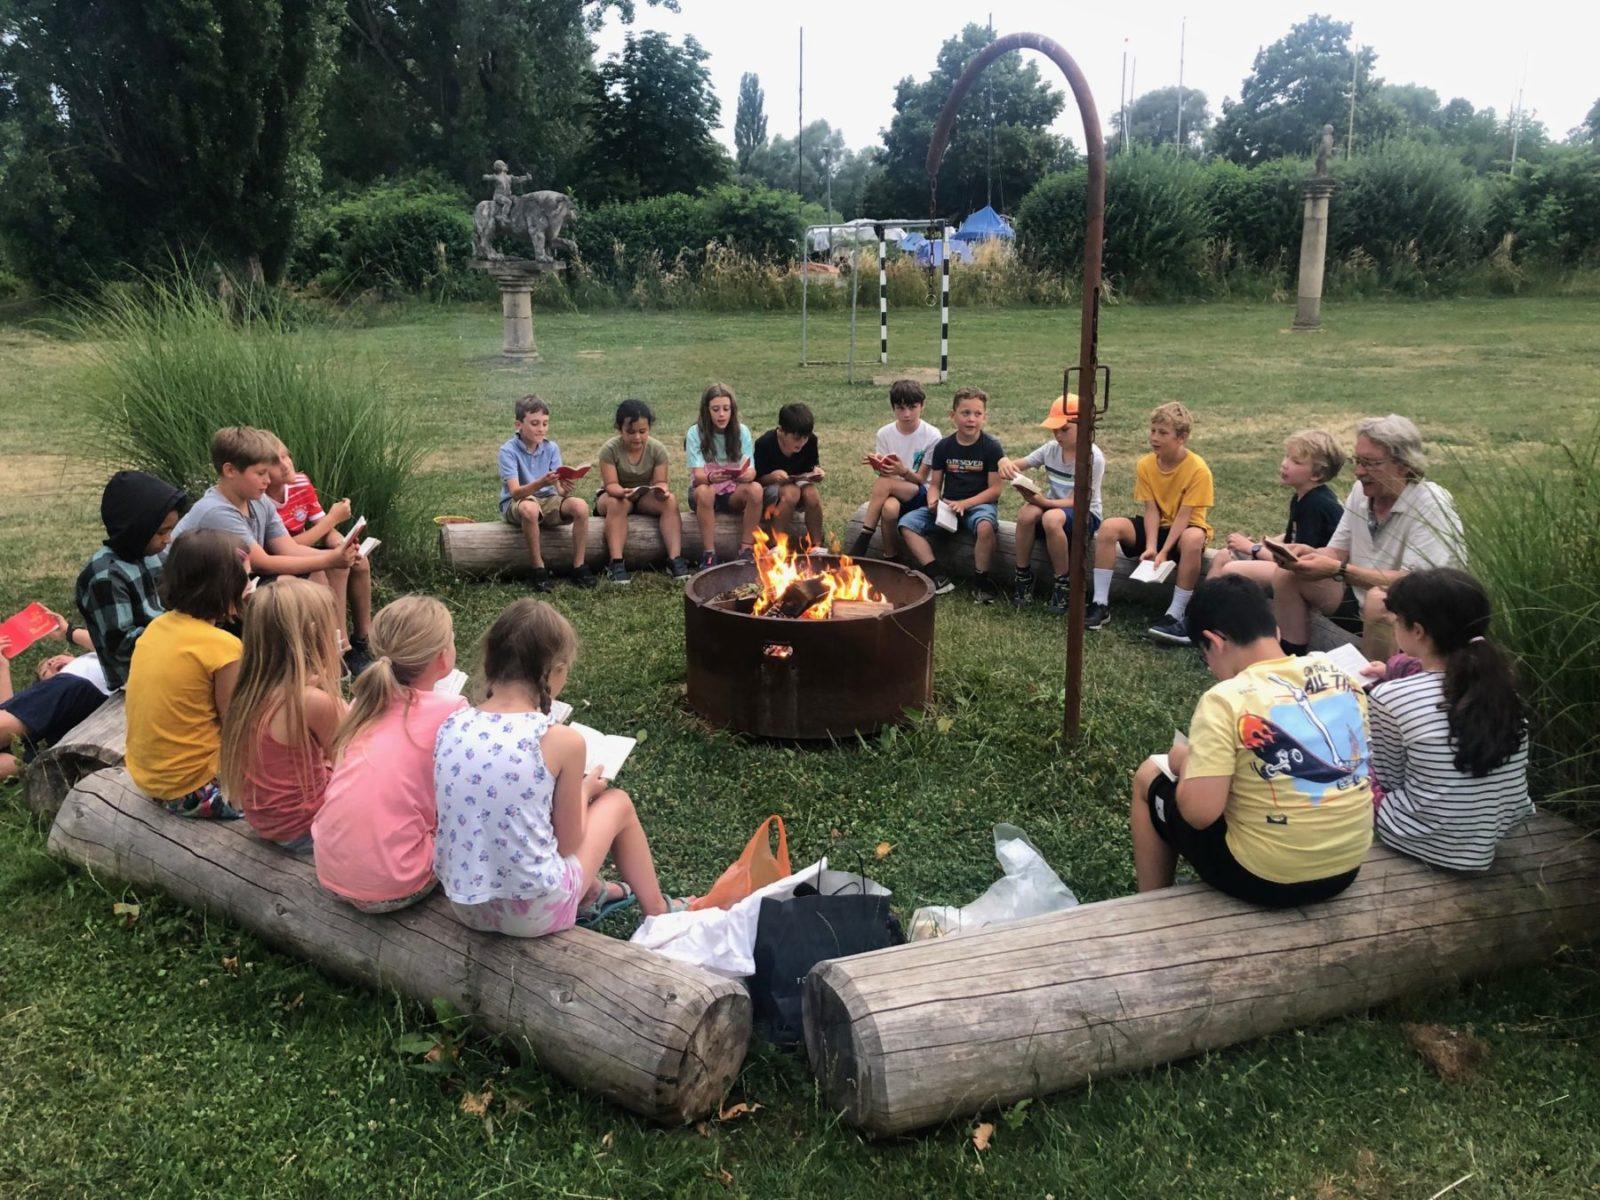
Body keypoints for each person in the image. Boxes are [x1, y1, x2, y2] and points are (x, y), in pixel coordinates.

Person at [434, 599, 692, 937]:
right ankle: (658, 911)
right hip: (532, 914)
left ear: (489, 660)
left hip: (467, 906)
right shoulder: (562, 741)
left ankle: (594, 892)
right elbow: (569, 844)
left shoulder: (452, 723)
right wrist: (584, 791)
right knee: (618, 803)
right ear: (556, 671)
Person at [1129, 575, 1374, 907]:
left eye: (1205, 657)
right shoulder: (1339, 674)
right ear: (1276, 631)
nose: (1210, 669)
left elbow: (1199, 814)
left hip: (1265, 878)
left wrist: (1183, 762)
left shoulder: (1225, 698)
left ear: (1214, 642)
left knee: (1149, 776)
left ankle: (1150, 907)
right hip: (1347, 866)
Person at [1368, 569, 1532, 872]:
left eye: (1397, 621)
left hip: (1424, 837)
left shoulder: (1389, 697)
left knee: (1352, 760)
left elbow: (1388, 780)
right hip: (1493, 831)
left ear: (1417, 631)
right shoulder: (1503, 687)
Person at [313, 597, 465, 913]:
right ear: (442, 658)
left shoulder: (363, 703)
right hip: (396, 882)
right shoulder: (452, 713)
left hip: (329, 868)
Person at [1272, 414, 1466, 661]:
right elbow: (1337, 551)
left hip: (1418, 616)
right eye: (1357, 461)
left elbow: (1415, 583)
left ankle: (1378, 680)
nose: (1358, 472)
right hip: (1359, 600)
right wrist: (1307, 556)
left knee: (1380, 600)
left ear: (1404, 464)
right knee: (1288, 575)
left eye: (1371, 463)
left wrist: (1339, 570)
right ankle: (1290, 660)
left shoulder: (1431, 504)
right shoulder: (1361, 493)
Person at [122, 530, 249, 818]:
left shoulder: (157, 626)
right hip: (195, 789)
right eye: (245, 579)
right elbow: (235, 724)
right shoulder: (223, 647)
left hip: (148, 777)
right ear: (227, 586)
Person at [218, 578, 345, 852]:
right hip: (307, 828)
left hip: (267, 822)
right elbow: (349, 768)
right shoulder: (313, 703)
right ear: (314, 634)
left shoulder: (250, 689)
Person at [172, 426, 360, 598]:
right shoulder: (216, 511)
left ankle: (331, 626)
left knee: (315, 572)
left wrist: (339, 553)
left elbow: (289, 549)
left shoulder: (258, 500)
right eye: (260, 473)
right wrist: (330, 559)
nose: (267, 481)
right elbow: (263, 563)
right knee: (288, 587)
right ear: (230, 470)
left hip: (233, 577)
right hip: (192, 590)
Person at [1089, 401, 1214, 644]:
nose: (1154, 437)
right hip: (1155, 528)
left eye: (1163, 433)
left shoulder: (1199, 470)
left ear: (1181, 438)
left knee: (1194, 539)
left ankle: (1174, 614)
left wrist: (1165, 551)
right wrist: (1151, 547)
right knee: (1109, 527)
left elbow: (1184, 516)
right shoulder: (1146, 464)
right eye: (1153, 430)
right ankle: (1100, 604)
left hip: (1185, 529)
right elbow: (1151, 509)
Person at [74, 470, 189, 689]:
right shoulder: (105, 578)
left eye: (171, 530)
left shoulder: (154, 555)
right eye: (161, 532)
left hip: (173, 659)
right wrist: (186, 628)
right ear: (136, 529)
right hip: (136, 680)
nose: (168, 539)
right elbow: (123, 647)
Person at [266, 437, 373, 674]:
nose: (285, 465)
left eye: (286, 456)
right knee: (335, 565)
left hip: (306, 550)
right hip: (286, 559)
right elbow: (285, 547)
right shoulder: (260, 499)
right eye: (275, 462)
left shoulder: (300, 483)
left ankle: (363, 639)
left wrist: (339, 541)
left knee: (360, 562)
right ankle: (340, 648)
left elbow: (324, 528)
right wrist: (332, 520)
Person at [896, 386, 1005, 600]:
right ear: (952, 415)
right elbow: (935, 484)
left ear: (985, 417)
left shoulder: (991, 447)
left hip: (979, 505)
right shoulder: (944, 446)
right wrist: (933, 501)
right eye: (965, 413)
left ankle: (981, 581)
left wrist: (966, 504)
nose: (971, 419)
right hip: (948, 506)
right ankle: (937, 575)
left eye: (977, 414)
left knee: (985, 527)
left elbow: (995, 490)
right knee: (907, 523)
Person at [999, 394, 1105, 613]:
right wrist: (1004, 462)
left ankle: (1063, 583)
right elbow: (1018, 464)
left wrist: (1044, 502)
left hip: (1085, 513)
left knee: (1051, 518)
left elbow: (1078, 501)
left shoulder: (1093, 457)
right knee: (1026, 514)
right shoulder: (1050, 449)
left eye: (1064, 429)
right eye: (1054, 430)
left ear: (1084, 426)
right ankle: (1023, 575)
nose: (1058, 435)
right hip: (1053, 507)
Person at [1209, 430, 1346, 589]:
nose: (1284, 464)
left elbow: (1296, 561)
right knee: (1222, 556)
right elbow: (1291, 539)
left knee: (1232, 569)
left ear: (1317, 474)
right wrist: (1265, 544)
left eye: (1296, 461)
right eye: (1287, 456)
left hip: (1318, 579)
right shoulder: (1302, 497)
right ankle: (1201, 603)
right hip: (1294, 567)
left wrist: (1253, 548)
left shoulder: (1316, 505)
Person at [498, 395, 596, 592]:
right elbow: (515, 493)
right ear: (518, 425)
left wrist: (565, 487)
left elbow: (558, 490)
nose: (541, 429)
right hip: (518, 502)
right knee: (530, 509)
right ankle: (538, 569)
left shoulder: (551, 448)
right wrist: (541, 482)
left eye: (545, 423)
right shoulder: (508, 451)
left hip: (548, 499)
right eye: (535, 423)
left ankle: (579, 566)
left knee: (581, 506)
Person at [595, 399, 690, 584]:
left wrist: (661, 490)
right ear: (620, 429)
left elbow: (660, 481)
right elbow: (610, 484)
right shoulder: (609, 450)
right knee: (616, 504)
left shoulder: (657, 449)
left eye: (642, 431)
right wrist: (623, 492)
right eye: (631, 432)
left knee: (670, 501)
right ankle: (616, 562)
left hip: (644, 495)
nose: (637, 437)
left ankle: (675, 558)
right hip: (615, 495)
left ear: (649, 429)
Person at [0, 624, 109, 782]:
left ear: (72, 656)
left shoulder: (87, 662)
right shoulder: (51, 697)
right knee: (16, 758)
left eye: (54, 659)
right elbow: (9, 713)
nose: (51, 664)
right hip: (67, 731)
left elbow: (110, 646)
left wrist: (69, 632)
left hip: (83, 694)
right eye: (45, 672)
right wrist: (2, 667)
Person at [850, 379, 941, 561]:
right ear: (893, 408)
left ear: (922, 406)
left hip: (921, 493)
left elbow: (922, 479)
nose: (906, 414)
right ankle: (891, 556)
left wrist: (903, 471)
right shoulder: (884, 433)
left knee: (884, 483)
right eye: (900, 408)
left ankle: (864, 536)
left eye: (912, 407)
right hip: (894, 490)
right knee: (889, 508)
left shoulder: (932, 435)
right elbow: (885, 475)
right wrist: (879, 466)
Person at [685, 383, 761, 569]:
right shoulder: (695, 433)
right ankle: (709, 554)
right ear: (706, 410)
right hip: (705, 491)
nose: (721, 414)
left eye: (726, 409)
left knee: (756, 489)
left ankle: (746, 548)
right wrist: (711, 478)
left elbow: (751, 469)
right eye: (715, 409)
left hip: (732, 490)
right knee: (705, 491)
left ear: (732, 410)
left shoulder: (742, 431)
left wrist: (746, 475)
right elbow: (698, 476)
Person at [753, 402, 826, 550]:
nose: (802, 442)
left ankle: (816, 545)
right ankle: (775, 545)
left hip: (798, 481)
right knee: (791, 493)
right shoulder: (765, 443)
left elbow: (811, 467)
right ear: (782, 430)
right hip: (771, 487)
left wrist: (817, 473)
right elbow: (757, 480)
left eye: (805, 438)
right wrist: (772, 477)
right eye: (797, 438)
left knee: (812, 494)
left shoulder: (811, 441)